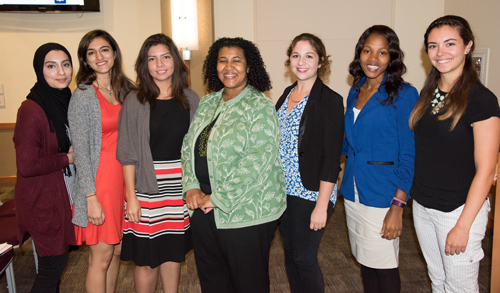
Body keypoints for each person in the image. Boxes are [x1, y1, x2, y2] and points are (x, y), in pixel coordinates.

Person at [181, 37, 286, 293]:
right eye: (222, 60)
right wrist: (191, 187)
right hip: (203, 207)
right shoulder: (208, 102)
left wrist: (218, 198)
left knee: (247, 282)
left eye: (236, 60)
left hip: (245, 211)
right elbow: (188, 147)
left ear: (249, 67)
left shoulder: (259, 105)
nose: (229, 66)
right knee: (213, 279)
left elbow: (258, 159)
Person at [409, 15, 500, 292]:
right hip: (423, 206)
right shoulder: (429, 92)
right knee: (438, 281)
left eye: (450, 44)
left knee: (460, 288)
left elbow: (486, 171)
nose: (440, 52)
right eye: (433, 46)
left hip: (458, 211)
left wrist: (463, 226)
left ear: (468, 46)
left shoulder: (482, 100)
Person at [116, 33, 199, 293]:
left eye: (165, 57)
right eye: (152, 59)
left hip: (180, 190)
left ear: (175, 60)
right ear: (145, 64)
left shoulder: (191, 98)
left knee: (173, 254)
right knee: (147, 260)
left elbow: (197, 147)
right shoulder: (135, 100)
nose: (159, 63)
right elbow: (127, 152)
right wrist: (132, 197)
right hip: (146, 190)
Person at [340, 25, 419, 293]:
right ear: (359, 54)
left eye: (382, 53)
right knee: (365, 260)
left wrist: (398, 205)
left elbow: (408, 154)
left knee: (384, 265)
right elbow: (350, 140)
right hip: (353, 190)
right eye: (367, 51)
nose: (373, 59)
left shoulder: (405, 94)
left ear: (392, 57)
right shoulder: (356, 89)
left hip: (383, 194)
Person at [275, 33, 344, 293]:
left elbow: (331, 159)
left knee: (304, 259)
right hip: (283, 192)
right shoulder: (285, 95)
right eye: (296, 55)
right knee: (290, 256)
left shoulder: (330, 101)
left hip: (311, 192)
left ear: (321, 62)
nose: (301, 62)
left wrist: (322, 206)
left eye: (309, 56)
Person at [68, 29, 134, 293]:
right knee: (101, 257)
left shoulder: (125, 89)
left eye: (104, 49)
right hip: (100, 185)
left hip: (124, 181)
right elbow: (81, 152)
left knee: (117, 252)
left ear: (114, 53)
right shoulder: (83, 95)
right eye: (91, 52)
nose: (99, 56)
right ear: (86, 59)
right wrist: (90, 197)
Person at [14, 43, 76, 293]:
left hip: (58, 196)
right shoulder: (31, 109)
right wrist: (67, 159)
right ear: (40, 70)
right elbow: (26, 165)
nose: (61, 72)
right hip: (42, 203)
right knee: (51, 269)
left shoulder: (64, 100)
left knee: (56, 268)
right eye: (51, 66)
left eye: (66, 64)